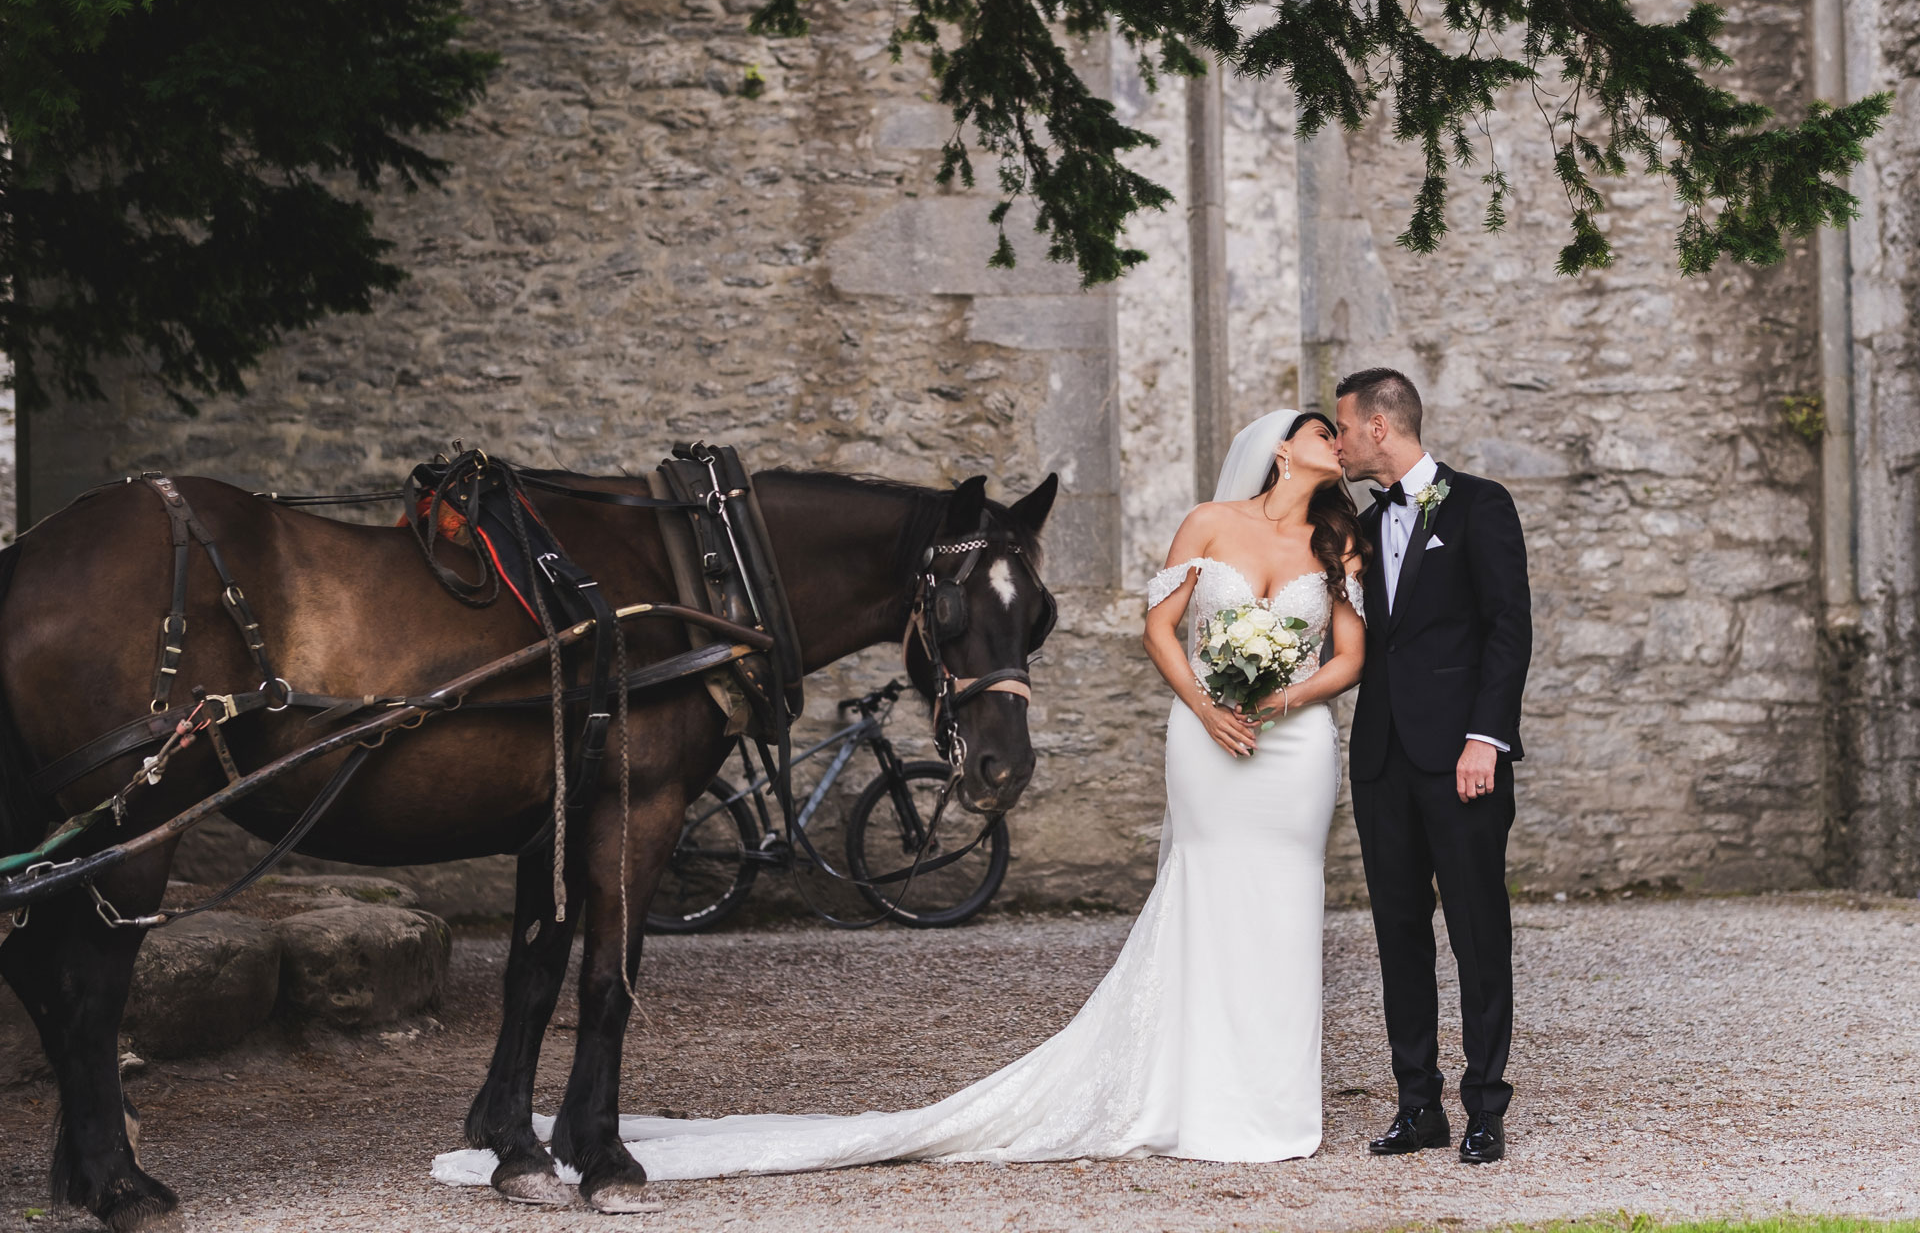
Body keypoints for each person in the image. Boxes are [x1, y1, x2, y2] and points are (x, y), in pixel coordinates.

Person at [430, 408, 1368, 1187]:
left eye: (1340, 430)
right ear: (1281, 449)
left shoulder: (1336, 541)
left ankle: (1267, 1096)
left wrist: (1282, 696)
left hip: (1291, 746)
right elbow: (1161, 629)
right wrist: (1208, 702)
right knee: (1208, 899)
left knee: (1287, 909)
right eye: (1318, 428)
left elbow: (1352, 651)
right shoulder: (1210, 522)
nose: (1333, 438)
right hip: (1212, 737)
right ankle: (1198, 1085)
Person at [1332, 367, 1532, 1166]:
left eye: (1343, 428)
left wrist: (1486, 738)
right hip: (1381, 758)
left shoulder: (1481, 504)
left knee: (1478, 931)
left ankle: (1485, 1106)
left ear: (1379, 427)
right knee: (1399, 933)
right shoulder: (1359, 526)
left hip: (1462, 759)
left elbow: (1508, 629)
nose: (1337, 443)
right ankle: (1418, 1105)